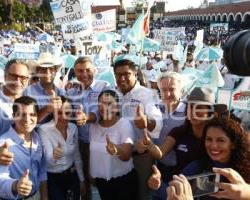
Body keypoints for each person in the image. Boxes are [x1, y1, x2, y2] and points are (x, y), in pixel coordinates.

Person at [147, 87, 221, 199]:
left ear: (211, 113)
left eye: (199, 108)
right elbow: (161, 152)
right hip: (177, 186)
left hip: (208, 189)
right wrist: (149, 145)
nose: (193, 111)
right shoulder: (179, 131)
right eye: (190, 107)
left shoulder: (217, 136)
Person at [113, 58, 162, 200]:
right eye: (118, 74)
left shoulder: (147, 94)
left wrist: (147, 122)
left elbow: (157, 121)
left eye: (126, 74)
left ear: (135, 74)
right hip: (120, 155)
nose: (122, 78)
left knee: (142, 194)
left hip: (141, 157)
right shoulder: (114, 93)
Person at [66, 56, 110, 200]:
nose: (84, 74)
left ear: (95, 70)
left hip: (100, 142)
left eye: (88, 70)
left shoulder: (104, 86)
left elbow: (104, 109)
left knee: (100, 179)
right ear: (75, 72)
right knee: (83, 180)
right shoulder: (71, 92)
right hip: (80, 144)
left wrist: (88, 117)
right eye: (80, 71)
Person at [0, 96, 47, 200]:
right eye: (21, 114)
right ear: (13, 116)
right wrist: (16, 185)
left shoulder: (37, 138)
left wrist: (44, 196)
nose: (27, 119)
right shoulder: (3, 144)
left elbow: (41, 170)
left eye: (32, 114)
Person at [89, 90, 137, 200]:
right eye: (101, 104)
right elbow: (91, 152)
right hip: (101, 182)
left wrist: (117, 149)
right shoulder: (93, 126)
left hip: (123, 182)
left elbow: (127, 155)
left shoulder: (124, 124)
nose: (104, 107)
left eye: (109, 103)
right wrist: (91, 173)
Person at [38, 97, 85, 200]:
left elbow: (76, 156)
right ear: (53, 113)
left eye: (67, 113)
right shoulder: (44, 129)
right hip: (53, 179)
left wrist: (81, 180)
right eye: (59, 113)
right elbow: (47, 159)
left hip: (71, 176)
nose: (64, 117)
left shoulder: (73, 128)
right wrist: (54, 156)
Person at [23, 52, 63, 123]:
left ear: (55, 71)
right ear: (38, 71)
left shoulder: (62, 92)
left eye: (51, 69)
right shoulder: (28, 92)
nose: (48, 72)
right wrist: (46, 109)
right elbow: (26, 121)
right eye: (43, 69)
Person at [166, 168, 250, 200]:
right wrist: (247, 192)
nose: (214, 145)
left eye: (221, 140)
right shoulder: (198, 163)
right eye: (209, 139)